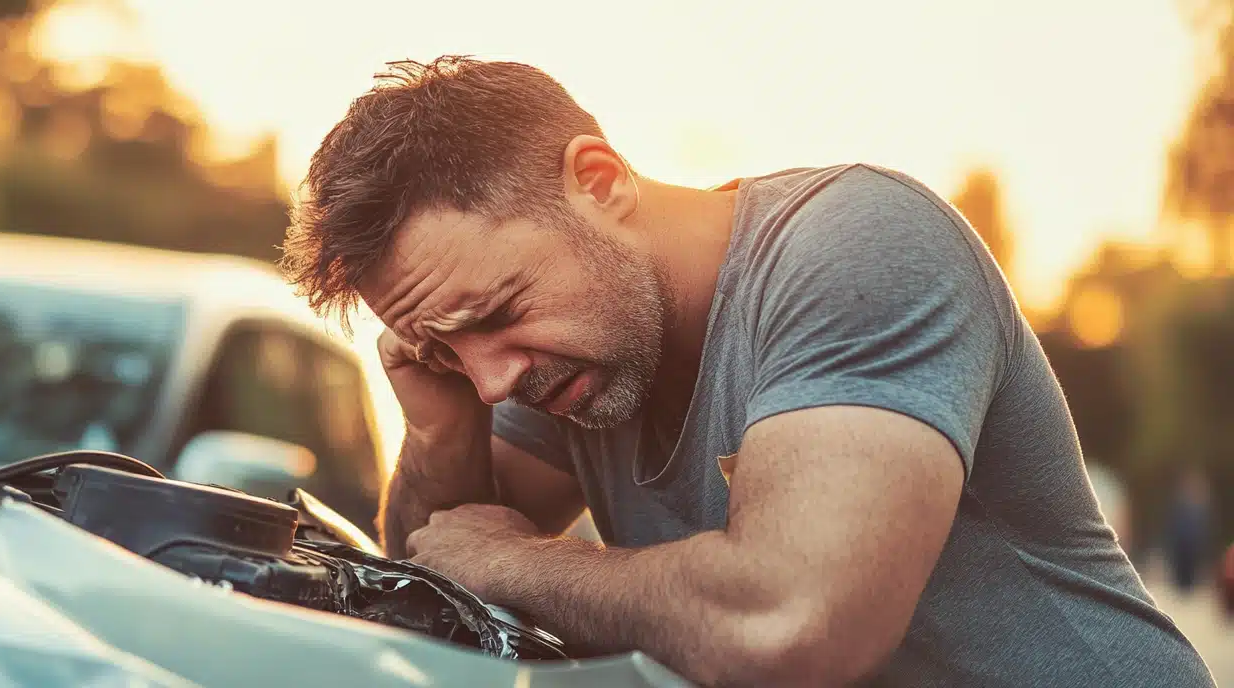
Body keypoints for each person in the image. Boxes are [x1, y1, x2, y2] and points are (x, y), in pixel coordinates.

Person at [279, 56, 1213, 686]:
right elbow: (434, 575)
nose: (491, 380)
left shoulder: (854, 246)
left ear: (599, 182)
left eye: (496, 315)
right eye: (447, 349)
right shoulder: (568, 357)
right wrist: (443, 429)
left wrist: (518, 559)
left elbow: (797, 620)